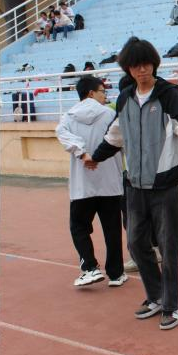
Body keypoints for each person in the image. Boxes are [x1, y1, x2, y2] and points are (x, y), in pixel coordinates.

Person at [85, 37, 178, 331]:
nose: (141, 70)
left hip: (165, 187)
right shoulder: (125, 98)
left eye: (146, 64)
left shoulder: (169, 96)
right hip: (134, 187)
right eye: (135, 66)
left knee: (168, 248)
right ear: (128, 69)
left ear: (154, 64)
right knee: (135, 243)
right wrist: (95, 157)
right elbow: (115, 134)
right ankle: (155, 295)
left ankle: (170, 304)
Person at [56, 75, 127, 287]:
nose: (105, 95)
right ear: (91, 93)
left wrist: (82, 153)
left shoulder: (68, 117)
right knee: (112, 230)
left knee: (79, 227)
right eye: (102, 91)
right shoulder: (111, 115)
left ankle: (89, 267)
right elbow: (123, 141)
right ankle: (116, 274)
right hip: (110, 183)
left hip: (82, 185)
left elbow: (62, 135)